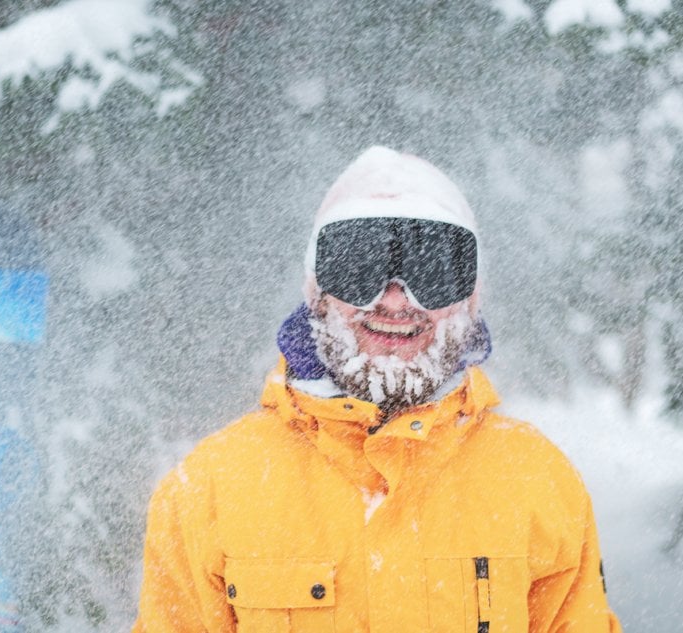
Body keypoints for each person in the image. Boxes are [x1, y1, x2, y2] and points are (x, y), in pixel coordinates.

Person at [133, 146, 621, 632]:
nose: (394, 301)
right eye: (358, 265)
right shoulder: (209, 489)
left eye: (432, 269)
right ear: (315, 290)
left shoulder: (538, 480)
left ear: (470, 300)